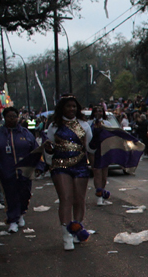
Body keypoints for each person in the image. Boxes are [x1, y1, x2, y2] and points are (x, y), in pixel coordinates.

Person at [43, 95, 96, 251]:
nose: (71, 109)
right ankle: (66, 235)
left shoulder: (85, 125)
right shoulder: (54, 126)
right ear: (62, 108)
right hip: (60, 166)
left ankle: (76, 228)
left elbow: (90, 148)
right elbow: (49, 147)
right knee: (66, 198)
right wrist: (48, 151)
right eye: (68, 106)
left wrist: (99, 140)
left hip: (80, 166)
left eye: (74, 106)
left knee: (79, 199)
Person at [0, 107, 38, 233]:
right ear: (4, 118)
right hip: (5, 169)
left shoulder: (25, 133)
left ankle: (21, 214)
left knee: (25, 193)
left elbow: (35, 150)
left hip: (24, 170)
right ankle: (12, 220)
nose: (12, 119)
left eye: (14, 116)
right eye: (9, 116)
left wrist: (38, 167)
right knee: (10, 194)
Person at [88, 105, 115, 206]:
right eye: (96, 111)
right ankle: (98, 196)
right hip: (93, 150)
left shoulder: (107, 123)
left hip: (105, 150)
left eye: (100, 111)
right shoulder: (89, 124)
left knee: (104, 174)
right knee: (97, 172)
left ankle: (102, 192)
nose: (98, 113)